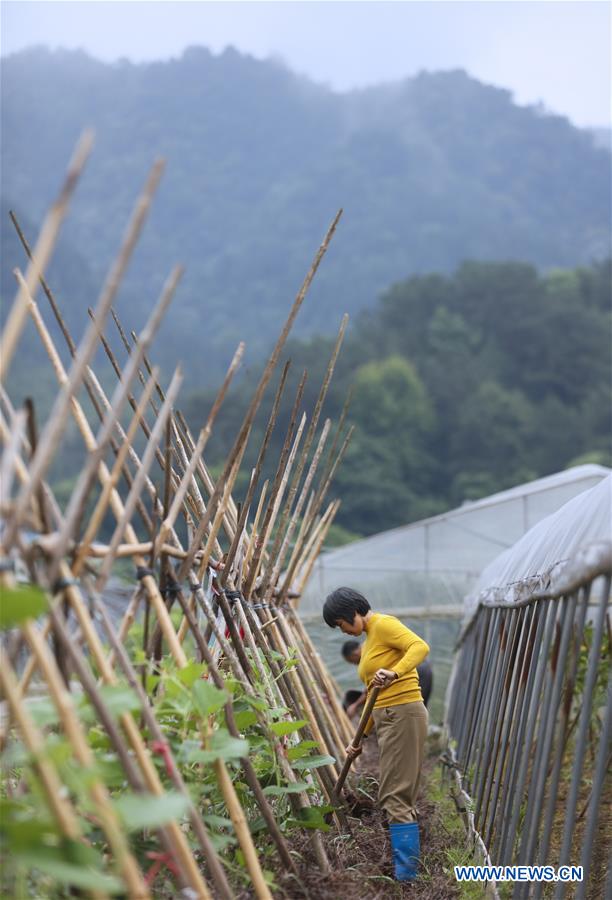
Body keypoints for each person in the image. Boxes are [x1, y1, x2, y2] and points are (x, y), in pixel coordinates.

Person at [324, 587, 429, 882]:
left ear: (351, 613)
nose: (343, 631)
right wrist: (361, 737)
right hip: (390, 715)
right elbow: (374, 695)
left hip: (403, 713)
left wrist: (395, 672)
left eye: (341, 624)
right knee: (393, 793)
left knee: (395, 796)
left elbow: (419, 647)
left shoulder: (383, 624)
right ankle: (406, 870)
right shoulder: (370, 638)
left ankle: (406, 878)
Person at [341, 639, 433, 716]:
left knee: (413, 708)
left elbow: (372, 688)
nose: (355, 664)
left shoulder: (368, 655)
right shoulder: (369, 645)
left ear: (354, 654)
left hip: (417, 669)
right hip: (421, 667)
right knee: (417, 707)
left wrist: (355, 705)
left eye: (353, 662)